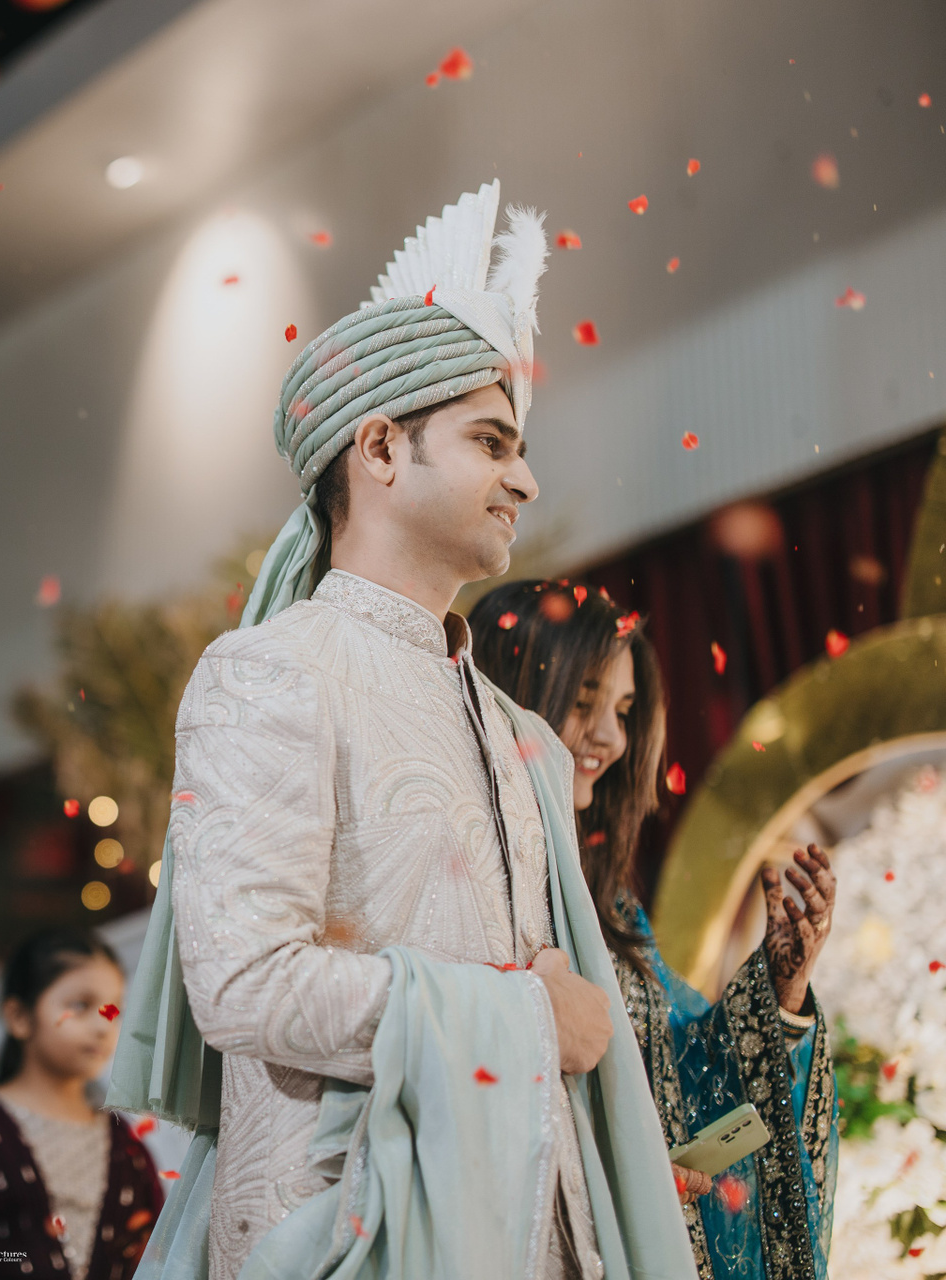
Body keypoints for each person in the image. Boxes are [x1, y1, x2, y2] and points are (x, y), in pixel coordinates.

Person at [109, 182, 698, 1280]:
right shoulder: (271, 672)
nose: (526, 479)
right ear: (380, 449)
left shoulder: (516, 731)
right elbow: (245, 980)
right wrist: (525, 1018)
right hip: (352, 1233)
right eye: (492, 441)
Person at [467, 580, 838, 1280]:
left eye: (624, 710)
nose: (612, 737)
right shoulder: (473, 894)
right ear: (510, 696)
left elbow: (684, 1078)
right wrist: (620, 1182)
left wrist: (780, 992)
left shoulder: (608, 904)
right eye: (584, 703)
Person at [0, 929, 163, 1280]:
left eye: (113, 1009)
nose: (103, 1025)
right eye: (80, 1006)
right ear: (19, 1017)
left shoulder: (127, 1148)